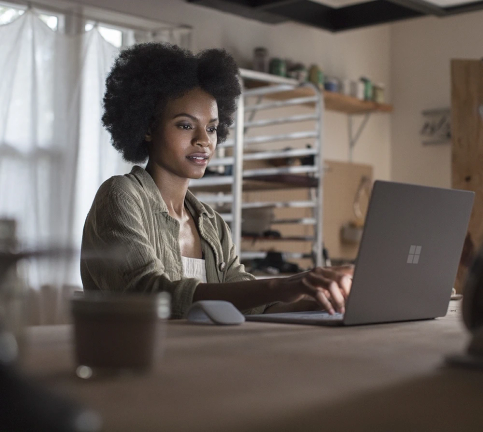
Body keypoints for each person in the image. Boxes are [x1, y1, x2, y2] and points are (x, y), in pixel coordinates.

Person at [80, 43, 353, 319]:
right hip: (135, 360)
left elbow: (257, 307)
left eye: (211, 128)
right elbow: (152, 295)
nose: (204, 141)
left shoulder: (211, 223)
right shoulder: (120, 197)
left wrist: (331, 300)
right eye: (186, 125)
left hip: (205, 359)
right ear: (149, 127)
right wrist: (281, 285)